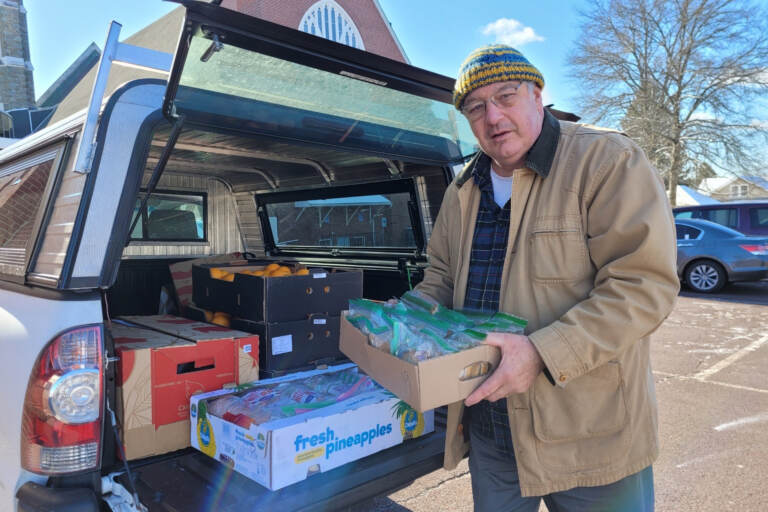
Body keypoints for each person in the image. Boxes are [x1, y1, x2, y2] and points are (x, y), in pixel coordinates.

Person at [414, 44, 679, 511]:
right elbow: (439, 278)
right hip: (491, 429)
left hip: (590, 434)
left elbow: (643, 287)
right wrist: (396, 330)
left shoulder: (606, 161)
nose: (493, 116)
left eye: (507, 96)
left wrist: (540, 352)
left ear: (538, 96)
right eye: (476, 108)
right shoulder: (461, 191)